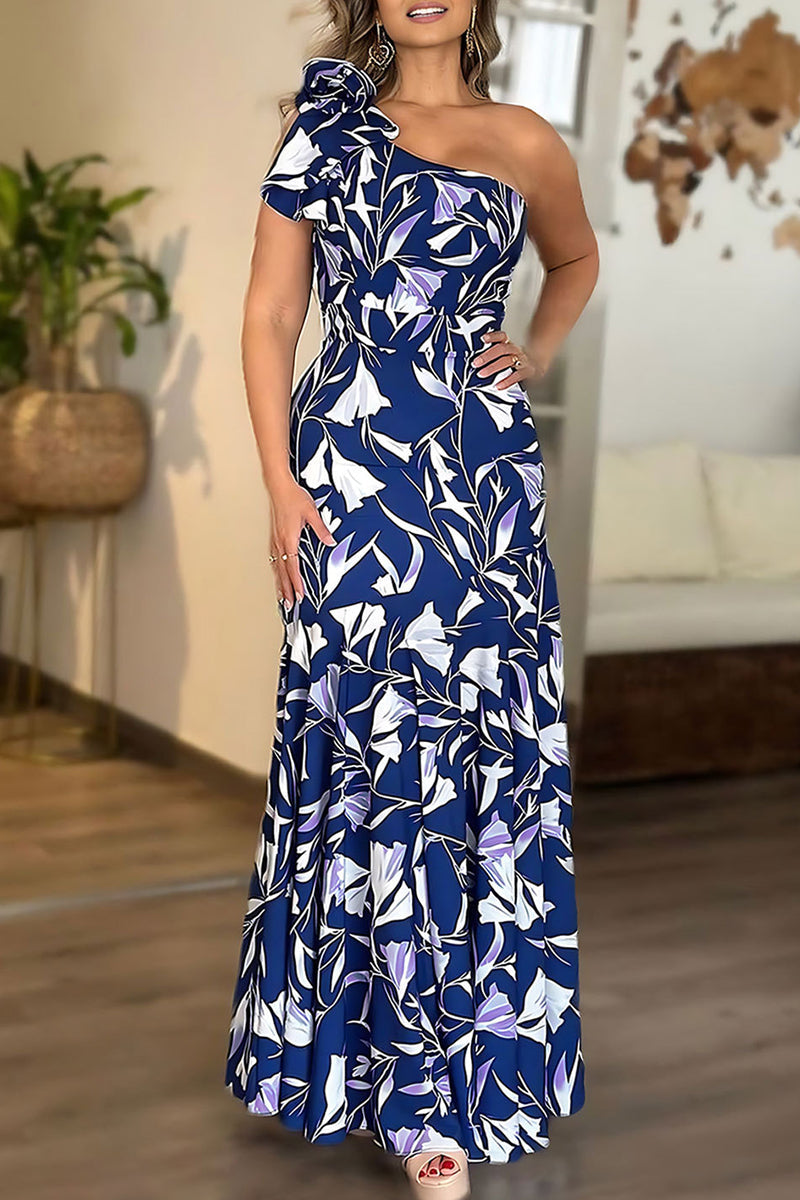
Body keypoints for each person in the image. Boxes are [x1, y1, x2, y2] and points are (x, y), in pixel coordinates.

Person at [225, 3, 599, 1196]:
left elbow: (576, 259)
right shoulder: (325, 127)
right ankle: (386, 1085)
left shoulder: (524, 138)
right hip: (350, 477)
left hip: (481, 482)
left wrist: (536, 347)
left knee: (475, 756)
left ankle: (455, 1084)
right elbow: (270, 313)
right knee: (370, 753)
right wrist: (279, 484)